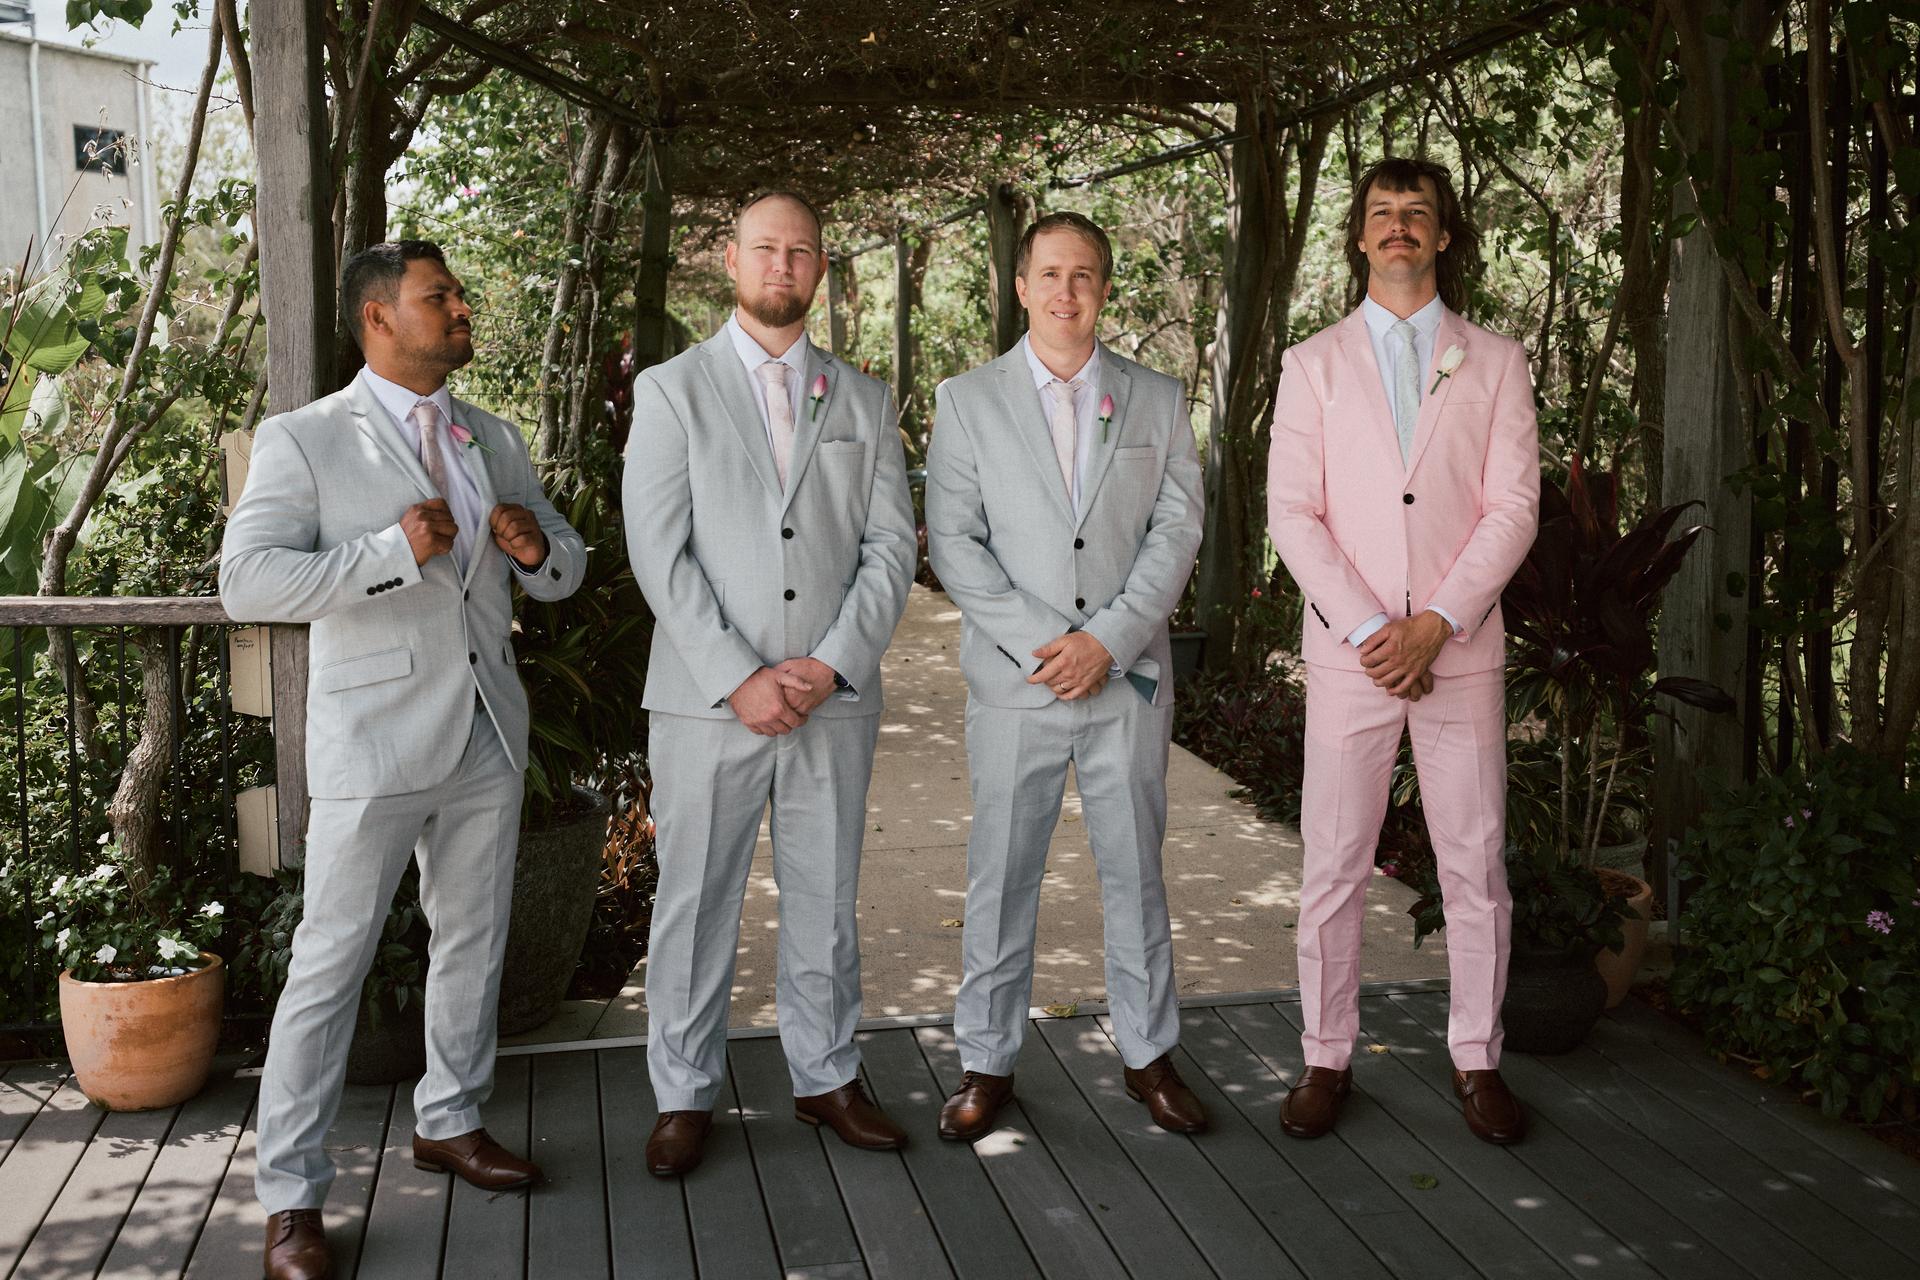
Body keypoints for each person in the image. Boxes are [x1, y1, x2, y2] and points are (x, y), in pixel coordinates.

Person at [221, 239, 586, 1280]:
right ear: (379, 318)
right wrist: (391, 552)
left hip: (485, 731)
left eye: (460, 293)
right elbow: (247, 582)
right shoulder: (302, 439)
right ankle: (292, 1197)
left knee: (473, 938)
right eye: (443, 297)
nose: (463, 307)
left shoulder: (489, 433)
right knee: (328, 964)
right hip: (373, 744)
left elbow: (564, 563)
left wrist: (532, 551)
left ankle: (452, 1118)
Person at [623, 191, 917, 1176]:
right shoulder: (671, 389)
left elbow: (888, 549)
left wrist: (831, 663)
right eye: (765, 248)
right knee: (696, 897)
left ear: (821, 268)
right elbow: (658, 553)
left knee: (827, 894)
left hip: (832, 696)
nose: (782, 264)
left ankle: (828, 1074)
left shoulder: (864, 400)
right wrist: (740, 676)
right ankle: (682, 1088)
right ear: (729, 261)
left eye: (801, 251)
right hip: (709, 701)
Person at [1267, 157, 1540, 1145]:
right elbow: (1293, 511)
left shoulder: (1496, 360)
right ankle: (1325, 1055)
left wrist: (1441, 620)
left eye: (1416, 213)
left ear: (1444, 235)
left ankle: (1478, 1059)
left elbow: (1512, 506)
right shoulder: (1312, 362)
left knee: (1474, 865)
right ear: (1357, 235)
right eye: (1381, 213)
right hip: (1353, 657)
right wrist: (1375, 629)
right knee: (1334, 865)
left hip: (1459, 653)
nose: (1398, 228)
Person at [925, 211, 1207, 1143]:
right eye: (1050, 273)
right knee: (1001, 874)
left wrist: (1111, 642)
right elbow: (956, 545)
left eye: (1084, 275)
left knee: (1136, 872)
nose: (1066, 292)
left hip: (1123, 683)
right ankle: (985, 1063)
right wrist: (1051, 645)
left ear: (1105, 288)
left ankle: (1150, 1056)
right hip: (1018, 684)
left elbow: (1177, 531)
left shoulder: (1159, 399)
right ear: (1020, 284)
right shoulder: (966, 399)